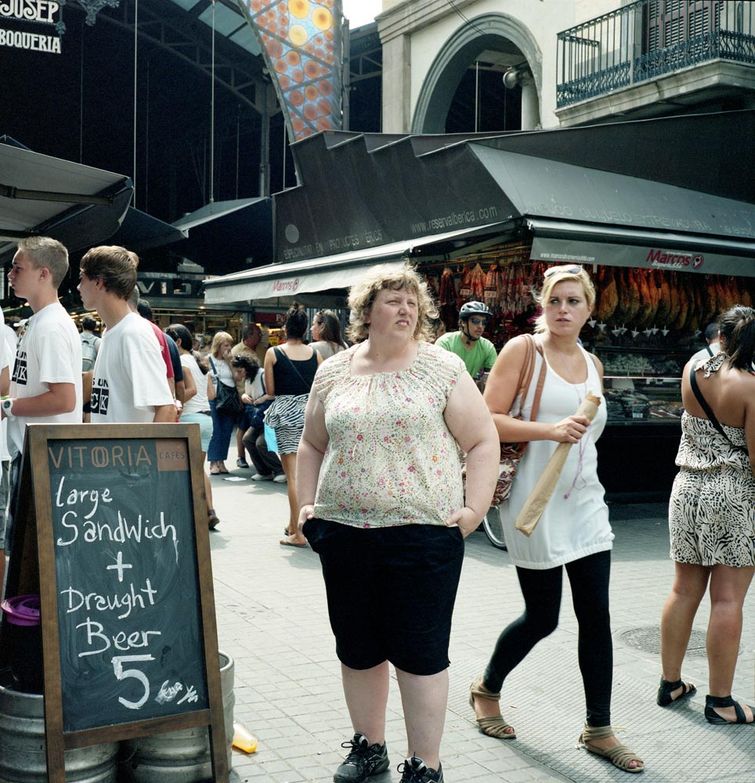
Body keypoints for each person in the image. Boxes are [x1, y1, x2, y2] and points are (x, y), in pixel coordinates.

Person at [297, 265, 498, 783]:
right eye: (392, 300)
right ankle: (370, 746)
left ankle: (425, 764)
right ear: (366, 312)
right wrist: (305, 505)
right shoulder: (334, 370)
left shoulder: (442, 368)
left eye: (413, 302)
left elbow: (482, 441)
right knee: (358, 648)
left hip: (423, 535)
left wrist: (474, 510)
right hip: (344, 533)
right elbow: (312, 443)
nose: (405, 309)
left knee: (420, 653)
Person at [474, 265, 644, 774]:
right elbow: (486, 418)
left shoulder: (592, 361)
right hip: (534, 504)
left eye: (574, 302)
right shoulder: (522, 351)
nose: (564, 310)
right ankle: (486, 689)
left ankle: (599, 728)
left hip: (587, 501)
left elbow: (589, 435)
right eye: (555, 301)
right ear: (542, 305)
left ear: (589, 309)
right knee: (543, 617)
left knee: (597, 618)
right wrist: (550, 431)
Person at [658, 305, 754, 725]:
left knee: (683, 591)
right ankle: (720, 702)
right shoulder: (750, 386)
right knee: (728, 598)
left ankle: (671, 682)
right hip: (732, 494)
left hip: (687, 490)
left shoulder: (694, 370)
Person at [2, 237, 83, 592]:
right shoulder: (39, 322)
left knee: (35, 555)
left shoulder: (50, 326)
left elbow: (64, 398)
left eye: (18, 267)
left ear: (44, 274)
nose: (10, 274)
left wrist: (7, 406)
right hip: (33, 451)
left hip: (45, 457)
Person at [78, 246, 175, 424]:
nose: (78, 287)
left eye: (81, 278)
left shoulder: (134, 334)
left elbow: (166, 409)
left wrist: (148, 452)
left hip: (131, 451)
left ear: (98, 282)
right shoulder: (112, 332)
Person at [265, 305, 322, 547]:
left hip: (286, 415)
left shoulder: (273, 353)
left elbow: (270, 390)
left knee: (293, 477)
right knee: (311, 475)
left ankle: (299, 533)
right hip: (310, 413)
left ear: (286, 328)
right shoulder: (315, 354)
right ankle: (293, 525)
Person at [166, 324, 220, 530]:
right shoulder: (200, 362)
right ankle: (210, 511)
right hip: (207, 419)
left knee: (190, 471)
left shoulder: (181, 362)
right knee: (199, 469)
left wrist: (176, 398)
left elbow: (190, 390)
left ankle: (197, 514)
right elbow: (211, 395)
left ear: (178, 341)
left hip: (190, 419)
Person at [231, 354, 284, 483]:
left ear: (247, 368)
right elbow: (248, 393)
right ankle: (264, 471)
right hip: (258, 415)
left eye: (240, 370)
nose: (239, 374)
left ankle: (279, 470)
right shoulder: (248, 378)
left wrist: (262, 399)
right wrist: (244, 396)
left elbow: (273, 394)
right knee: (248, 439)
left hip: (268, 415)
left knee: (262, 443)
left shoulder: (262, 374)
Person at [232, 323, 266, 467]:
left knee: (257, 428)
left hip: (259, 395)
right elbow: (233, 375)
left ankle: (261, 459)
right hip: (243, 394)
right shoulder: (236, 351)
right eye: (258, 334)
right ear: (249, 335)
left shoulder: (263, 350)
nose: (260, 337)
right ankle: (241, 456)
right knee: (243, 426)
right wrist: (241, 396)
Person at [435, 301, 497, 380]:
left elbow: (493, 378)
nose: (480, 326)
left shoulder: (488, 348)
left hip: (473, 390)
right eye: (475, 321)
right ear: (462, 322)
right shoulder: (445, 343)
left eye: (484, 322)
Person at [207, 331, 240, 475]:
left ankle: (221, 461)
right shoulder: (208, 360)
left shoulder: (231, 360)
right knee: (216, 430)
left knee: (226, 431)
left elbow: (237, 378)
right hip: (214, 398)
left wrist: (229, 362)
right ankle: (213, 461)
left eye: (230, 345)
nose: (228, 348)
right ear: (218, 345)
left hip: (229, 399)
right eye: (226, 345)